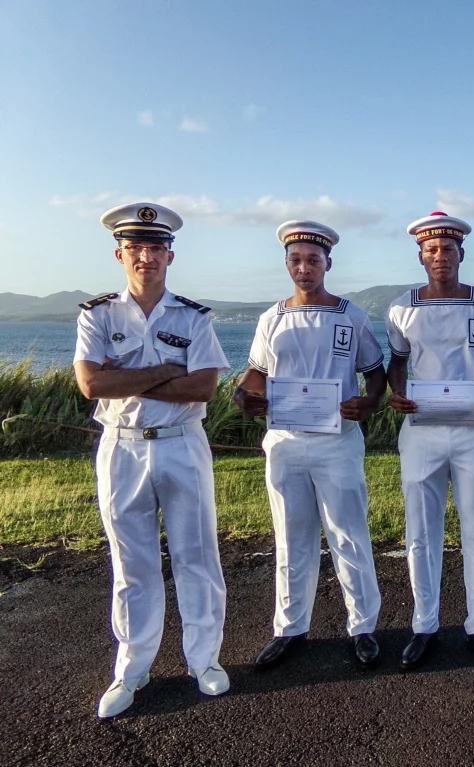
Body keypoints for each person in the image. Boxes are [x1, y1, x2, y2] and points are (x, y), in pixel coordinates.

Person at [74, 202, 230, 718]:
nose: (147, 257)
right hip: (121, 445)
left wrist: (131, 376)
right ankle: (132, 668)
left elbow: (204, 385)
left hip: (183, 443)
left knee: (196, 557)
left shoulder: (194, 316)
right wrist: (167, 372)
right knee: (131, 564)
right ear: (120, 254)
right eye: (136, 247)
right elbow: (92, 383)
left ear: (170, 255)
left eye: (156, 247)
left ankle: (204, 661)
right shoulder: (97, 315)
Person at [233, 221, 385, 671]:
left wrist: (369, 402)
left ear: (328, 264)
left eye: (313, 260)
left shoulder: (351, 316)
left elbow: (374, 372)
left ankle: (363, 627)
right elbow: (255, 375)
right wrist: (243, 396)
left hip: (336, 442)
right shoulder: (270, 318)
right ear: (286, 264)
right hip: (284, 443)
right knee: (291, 536)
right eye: (296, 260)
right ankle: (290, 627)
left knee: (348, 534)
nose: (305, 268)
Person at [386, 211, 474, 669]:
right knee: (421, 531)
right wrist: (398, 394)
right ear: (421, 256)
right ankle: (424, 624)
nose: (441, 256)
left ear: (461, 253)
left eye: (448, 249)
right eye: (432, 250)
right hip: (420, 430)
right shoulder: (401, 308)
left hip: (473, 428)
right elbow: (398, 361)